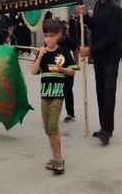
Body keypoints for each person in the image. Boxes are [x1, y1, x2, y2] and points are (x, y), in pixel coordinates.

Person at [77, 0, 122, 145]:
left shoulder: (115, 9)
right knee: (100, 91)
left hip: (111, 56)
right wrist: (85, 16)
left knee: (109, 92)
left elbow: (111, 37)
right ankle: (104, 127)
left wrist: (91, 49)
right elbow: (94, 26)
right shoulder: (98, 5)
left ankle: (107, 129)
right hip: (99, 57)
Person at [30, 19, 77, 174]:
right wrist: (40, 56)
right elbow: (33, 71)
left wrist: (60, 69)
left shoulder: (63, 52)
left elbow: (73, 70)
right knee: (48, 129)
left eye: (51, 36)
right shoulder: (42, 52)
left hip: (58, 94)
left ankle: (59, 158)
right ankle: (55, 157)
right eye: (45, 36)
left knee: (53, 126)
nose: (48, 39)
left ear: (58, 36)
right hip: (45, 95)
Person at [58, 19, 79, 123]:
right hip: (56, 69)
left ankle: (70, 114)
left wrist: (76, 64)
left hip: (68, 67)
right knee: (56, 91)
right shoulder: (52, 40)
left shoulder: (68, 40)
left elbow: (75, 50)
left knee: (67, 91)